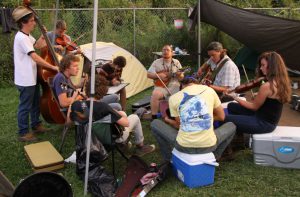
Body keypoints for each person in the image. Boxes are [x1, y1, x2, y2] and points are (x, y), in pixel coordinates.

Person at [150, 77, 236, 161]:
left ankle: (169, 159)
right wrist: (205, 118)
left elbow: (179, 125)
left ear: (182, 87)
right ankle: (215, 156)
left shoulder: (174, 98)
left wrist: (168, 120)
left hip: (184, 146)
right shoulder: (209, 90)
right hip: (209, 145)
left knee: (155, 123)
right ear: (197, 84)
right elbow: (221, 116)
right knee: (231, 126)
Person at [70, 74, 155, 156]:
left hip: (87, 142)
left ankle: (124, 144)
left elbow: (67, 123)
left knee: (121, 113)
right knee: (134, 117)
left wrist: (72, 101)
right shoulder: (103, 107)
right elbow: (126, 123)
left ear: (87, 89)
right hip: (107, 141)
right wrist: (118, 113)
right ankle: (140, 147)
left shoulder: (77, 106)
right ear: (103, 90)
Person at [12, 6, 58, 142]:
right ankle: (23, 132)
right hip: (25, 79)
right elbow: (35, 57)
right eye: (32, 21)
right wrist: (53, 67)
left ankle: (36, 125)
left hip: (32, 77)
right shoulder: (21, 37)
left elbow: (37, 45)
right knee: (25, 106)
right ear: (23, 22)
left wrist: (43, 34)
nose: (34, 23)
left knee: (35, 103)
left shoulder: (27, 36)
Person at [224, 51, 291, 134]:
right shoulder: (280, 81)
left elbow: (253, 107)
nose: (260, 68)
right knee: (231, 106)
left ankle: (239, 138)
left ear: (272, 66)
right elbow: (271, 99)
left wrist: (234, 97)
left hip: (263, 123)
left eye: (263, 65)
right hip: (265, 118)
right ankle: (239, 132)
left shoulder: (267, 86)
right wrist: (258, 95)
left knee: (224, 118)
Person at [147, 45, 184, 119]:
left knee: (177, 98)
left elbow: (181, 78)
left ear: (172, 53)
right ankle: (154, 117)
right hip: (161, 86)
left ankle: (176, 116)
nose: (165, 51)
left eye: (167, 50)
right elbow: (148, 74)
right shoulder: (156, 62)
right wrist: (158, 76)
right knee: (155, 94)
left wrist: (179, 75)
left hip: (174, 85)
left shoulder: (176, 62)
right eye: (163, 50)